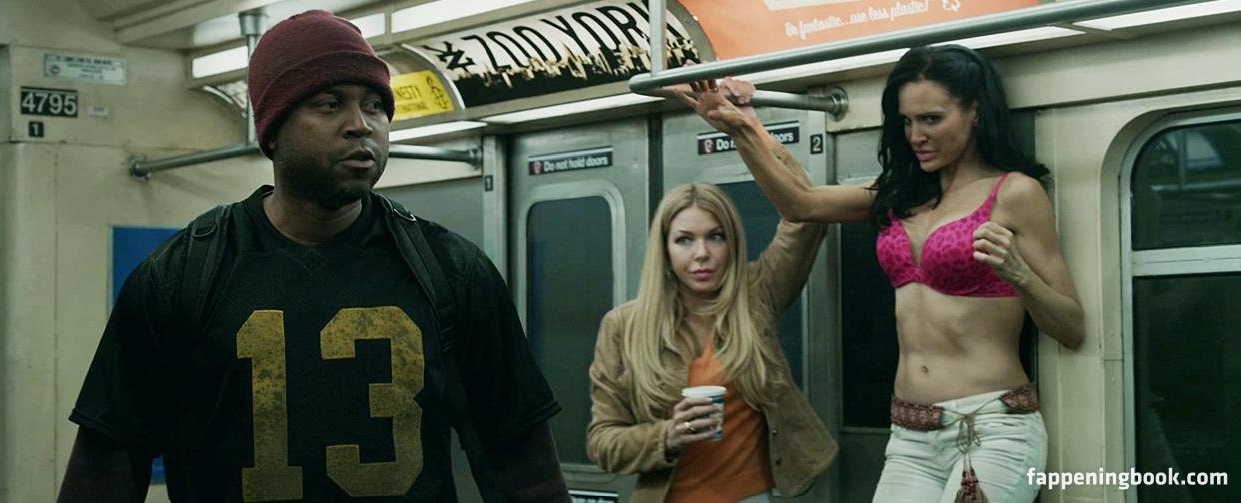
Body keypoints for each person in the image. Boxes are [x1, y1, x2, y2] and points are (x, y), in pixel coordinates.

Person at [58, 10, 568, 502]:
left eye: (374, 105)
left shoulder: (451, 272)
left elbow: (526, 474)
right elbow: (104, 476)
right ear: (274, 131)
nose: (360, 125)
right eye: (329, 104)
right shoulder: (181, 277)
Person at [676, 45, 1084, 502]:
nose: (916, 136)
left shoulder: (1015, 193)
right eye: (906, 122)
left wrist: (1018, 274)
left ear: (975, 112)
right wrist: (743, 127)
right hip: (910, 437)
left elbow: (1071, 326)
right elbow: (800, 204)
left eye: (931, 119)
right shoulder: (898, 196)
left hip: (990, 428)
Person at [587, 79, 838, 503]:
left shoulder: (755, 295)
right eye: (685, 240)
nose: (701, 253)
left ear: (732, 243)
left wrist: (748, 127)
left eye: (715, 237)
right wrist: (668, 434)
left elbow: (805, 213)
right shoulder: (624, 326)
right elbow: (603, 443)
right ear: (665, 250)